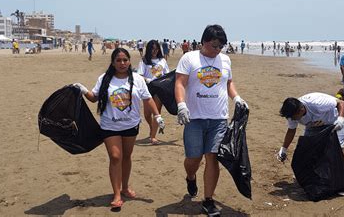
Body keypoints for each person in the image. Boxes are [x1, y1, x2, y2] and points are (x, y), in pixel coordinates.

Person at [73, 48, 166, 209]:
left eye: (125, 60)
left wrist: (157, 116)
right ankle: (116, 194)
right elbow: (94, 98)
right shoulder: (105, 78)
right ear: (113, 62)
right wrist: (82, 89)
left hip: (131, 125)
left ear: (129, 61)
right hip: (110, 125)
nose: (122, 63)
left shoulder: (137, 79)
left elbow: (148, 98)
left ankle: (125, 187)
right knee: (116, 157)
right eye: (118, 60)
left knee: (127, 156)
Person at [175, 24, 248, 216]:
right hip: (195, 118)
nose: (218, 50)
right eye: (214, 45)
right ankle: (191, 176)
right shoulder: (189, 58)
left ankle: (208, 200)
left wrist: (237, 98)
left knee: (212, 157)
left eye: (221, 46)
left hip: (218, 119)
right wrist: (181, 104)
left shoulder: (225, 59)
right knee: (194, 159)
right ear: (204, 42)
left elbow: (228, 82)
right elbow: (180, 83)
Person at [277, 92, 344, 195]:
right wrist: (284, 148)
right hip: (314, 124)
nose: (293, 120)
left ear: (301, 110)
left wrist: (340, 119)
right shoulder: (292, 114)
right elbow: (291, 130)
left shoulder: (316, 102)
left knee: (338, 148)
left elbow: (341, 103)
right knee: (308, 147)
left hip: (335, 118)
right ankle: (312, 177)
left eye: (294, 117)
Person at [137, 40, 170, 145]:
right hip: (147, 89)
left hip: (159, 89)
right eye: (152, 49)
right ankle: (152, 127)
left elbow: (167, 74)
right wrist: (147, 80)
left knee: (156, 112)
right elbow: (139, 75)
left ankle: (153, 136)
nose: (154, 51)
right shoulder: (144, 61)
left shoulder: (162, 60)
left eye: (156, 49)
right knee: (147, 114)